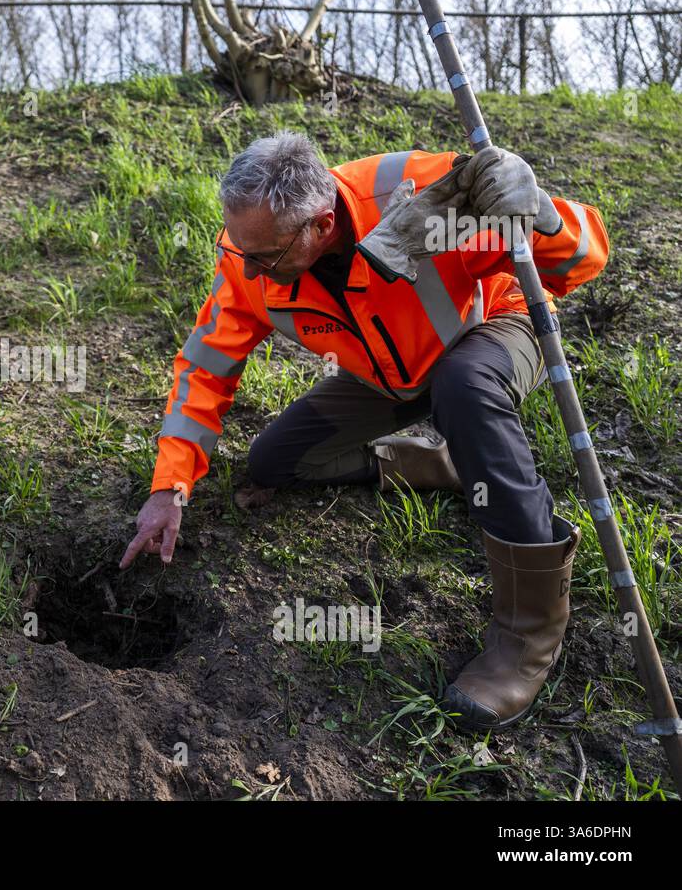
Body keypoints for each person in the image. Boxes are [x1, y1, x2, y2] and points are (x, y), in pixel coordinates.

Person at [119, 131, 609, 730]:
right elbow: (205, 368)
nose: (246, 268)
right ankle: (447, 464)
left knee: (463, 386)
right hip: (391, 374)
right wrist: (169, 485)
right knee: (274, 460)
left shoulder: (419, 189)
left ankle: (527, 638)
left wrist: (542, 216)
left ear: (320, 225)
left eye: (264, 256)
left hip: (492, 326)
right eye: (237, 247)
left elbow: (585, 257)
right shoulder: (249, 256)